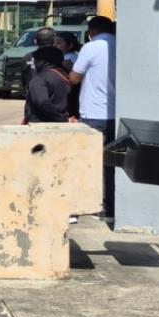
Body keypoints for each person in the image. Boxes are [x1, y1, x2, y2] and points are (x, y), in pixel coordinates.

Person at [69, 16, 117, 217]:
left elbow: (74, 77)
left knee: (86, 161)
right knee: (111, 164)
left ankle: (83, 205)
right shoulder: (121, 45)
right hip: (115, 114)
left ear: (92, 31)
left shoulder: (91, 47)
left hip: (93, 113)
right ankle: (110, 207)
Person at [24, 46, 71, 124]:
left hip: (41, 126)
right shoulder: (64, 77)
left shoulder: (39, 79)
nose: (34, 64)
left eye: (36, 60)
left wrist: (60, 118)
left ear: (43, 61)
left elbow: (42, 102)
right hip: (62, 125)